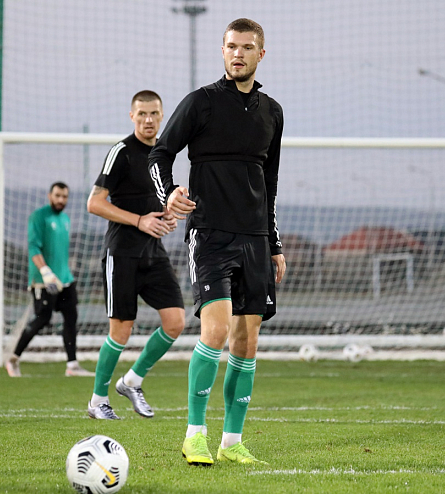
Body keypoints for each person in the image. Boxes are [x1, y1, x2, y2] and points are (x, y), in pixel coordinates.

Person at [148, 18, 286, 465]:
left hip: (256, 239)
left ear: (260, 54)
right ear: (222, 51)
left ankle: (232, 442)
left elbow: (270, 182)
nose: (237, 54)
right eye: (231, 47)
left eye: (246, 47)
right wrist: (168, 193)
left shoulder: (272, 112)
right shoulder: (201, 103)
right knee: (216, 330)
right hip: (210, 235)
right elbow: (159, 154)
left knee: (247, 342)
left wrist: (274, 243)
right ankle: (194, 435)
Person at [86, 90, 186, 420]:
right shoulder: (122, 152)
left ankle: (132, 381)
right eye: (142, 114)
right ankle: (98, 401)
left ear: (162, 116)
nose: (148, 120)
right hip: (122, 254)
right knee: (121, 331)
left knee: (176, 322)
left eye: (154, 113)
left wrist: (167, 215)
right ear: (132, 116)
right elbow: (94, 203)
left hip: (153, 253)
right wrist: (139, 220)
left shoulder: (162, 155)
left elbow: (155, 200)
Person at [5, 182, 94, 378]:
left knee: (71, 318)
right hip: (44, 280)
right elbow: (33, 247)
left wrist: (63, 273)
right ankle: (13, 358)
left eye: (64, 196)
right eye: (57, 196)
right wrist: (45, 272)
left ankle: (72, 365)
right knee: (42, 319)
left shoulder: (65, 219)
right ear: (49, 196)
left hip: (65, 279)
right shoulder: (39, 217)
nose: (61, 200)